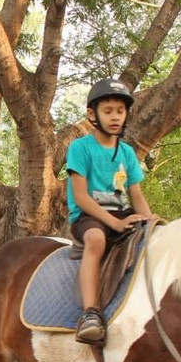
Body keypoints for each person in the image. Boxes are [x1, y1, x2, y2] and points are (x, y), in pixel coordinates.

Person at [67, 78, 157, 344]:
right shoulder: (80, 148)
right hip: (88, 216)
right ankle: (90, 313)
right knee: (96, 239)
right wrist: (113, 224)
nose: (115, 116)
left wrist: (151, 220)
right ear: (92, 114)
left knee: (156, 239)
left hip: (121, 213)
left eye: (120, 110)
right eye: (108, 111)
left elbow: (136, 196)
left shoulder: (127, 153)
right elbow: (81, 197)